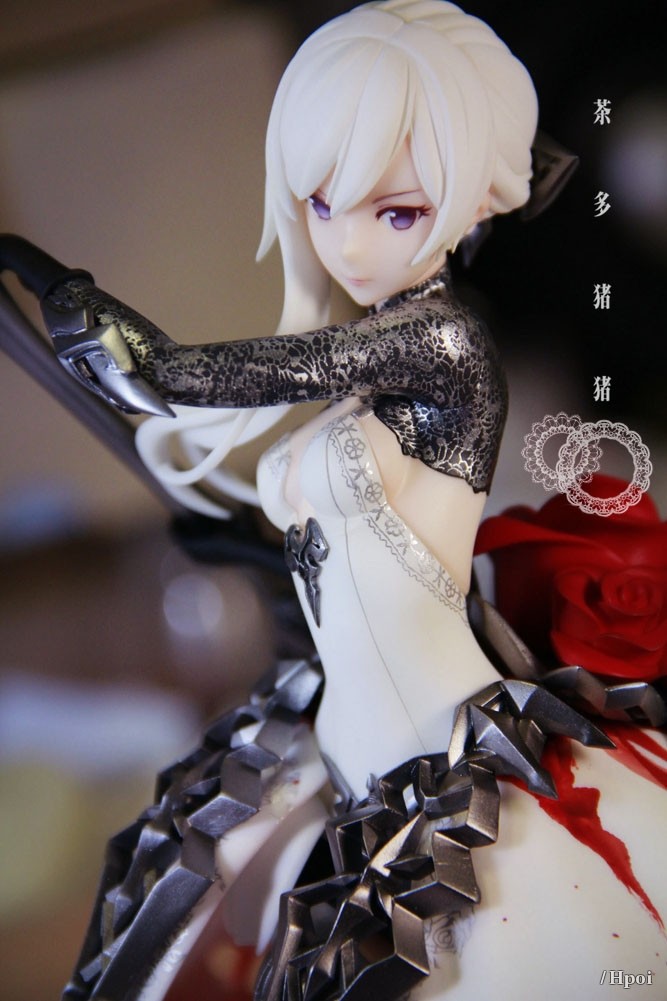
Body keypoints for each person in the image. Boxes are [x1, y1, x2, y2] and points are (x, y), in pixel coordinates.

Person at [48, 3, 665, 999]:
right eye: (322, 203)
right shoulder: (373, 369)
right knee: (161, 905)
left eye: (398, 212)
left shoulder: (441, 343)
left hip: (429, 738)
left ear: (475, 200)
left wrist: (127, 343)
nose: (349, 244)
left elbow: (213, 371)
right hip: (329, 724)